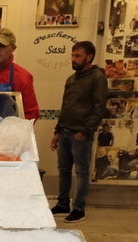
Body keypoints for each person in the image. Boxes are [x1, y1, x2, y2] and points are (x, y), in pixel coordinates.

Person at [50, 41, 108, 223]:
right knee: (64, 170)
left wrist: (85, 130)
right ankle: (62, 204)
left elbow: (99, 108)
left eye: (78, 56)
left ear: (89, 57)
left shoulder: (97, 77)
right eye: (72, 55)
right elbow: (65, 106)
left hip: (80, 134)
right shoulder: (71, 79)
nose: (73, 59)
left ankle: (79, 208)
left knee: (82, 172)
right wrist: (57, 131)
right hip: (66, 131)